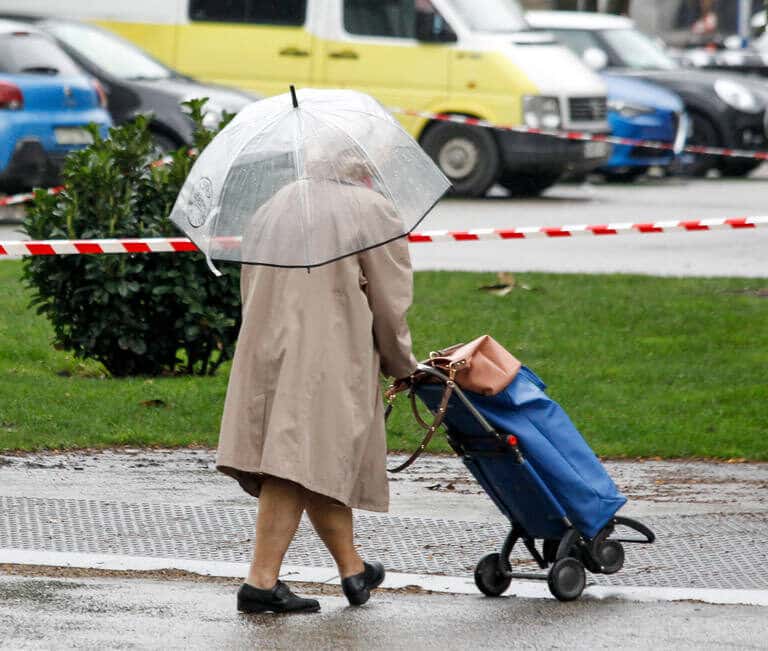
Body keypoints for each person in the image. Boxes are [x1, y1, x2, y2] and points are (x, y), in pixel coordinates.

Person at [215, 166, 418, 615]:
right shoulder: (372, 211)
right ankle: (261, 582)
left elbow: (250, 283)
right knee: (294, 461)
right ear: (363, 162)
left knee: (311, 457)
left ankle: (353, 570)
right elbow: (390, 301)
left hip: (268, 346)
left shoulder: (275, 205)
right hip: (328, 352)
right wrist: (401, 363)